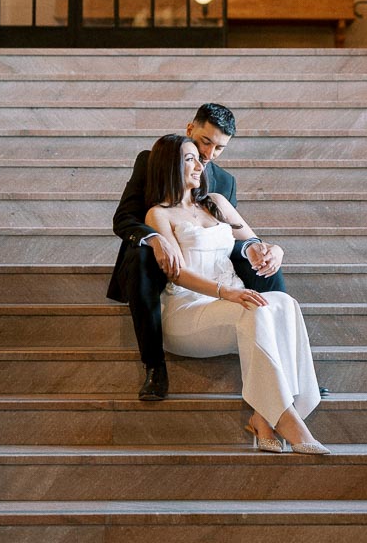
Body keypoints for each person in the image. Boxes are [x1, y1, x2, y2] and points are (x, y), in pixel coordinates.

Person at [145, 133, 328, 454]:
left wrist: (276, 251)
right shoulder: (159, 214)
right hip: (188, 311)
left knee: (283, 302)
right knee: (253, 308)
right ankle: (288, 420)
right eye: (189, 159)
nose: (200, 165)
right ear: (168, 166)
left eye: (198, 159)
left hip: (231, 304)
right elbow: (176, 271)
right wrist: (225, 292)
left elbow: (254, 241)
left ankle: (263, 416)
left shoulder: (215, 202)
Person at [106, 102, 286, 402]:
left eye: (219, 149)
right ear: (191, 129)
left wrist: (266, 248)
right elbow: (124, 218)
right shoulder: (154, 160)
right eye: (205, 142)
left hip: (206, 260)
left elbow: (229, 235)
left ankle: (287, 367)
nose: (208, 155)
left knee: (263, 263)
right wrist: (154, 237)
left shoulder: (224, 183)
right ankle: (154, 367)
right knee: (141, 255)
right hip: (156, 257)